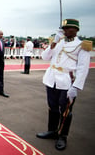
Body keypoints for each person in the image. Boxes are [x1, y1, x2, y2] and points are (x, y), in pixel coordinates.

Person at [36, 19, 91, 150]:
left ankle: (62, 136)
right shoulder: (58, 42)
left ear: (76, 30)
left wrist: (76, 87)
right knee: (52, 107)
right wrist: (54, 41)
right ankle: (52, 131)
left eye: (69, 28)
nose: (66, 31)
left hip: (67, 81)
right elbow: (44, 57)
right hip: (51, 79)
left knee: (65, 111)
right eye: (64, 29)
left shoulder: (82, 45)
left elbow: (83, 68)